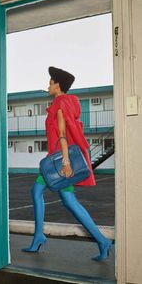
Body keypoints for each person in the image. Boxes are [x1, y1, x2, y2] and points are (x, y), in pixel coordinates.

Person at [22, 66, 112, 261]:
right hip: (57, 160)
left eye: (50, 82)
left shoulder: (60, 103)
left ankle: (40, 237)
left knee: (41, 193)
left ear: (58, 85)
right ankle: (101, 240)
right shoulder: (66, 103)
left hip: (58, 163)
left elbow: (62, 134)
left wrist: (65, 163)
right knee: (67, 201)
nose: (48, 85)